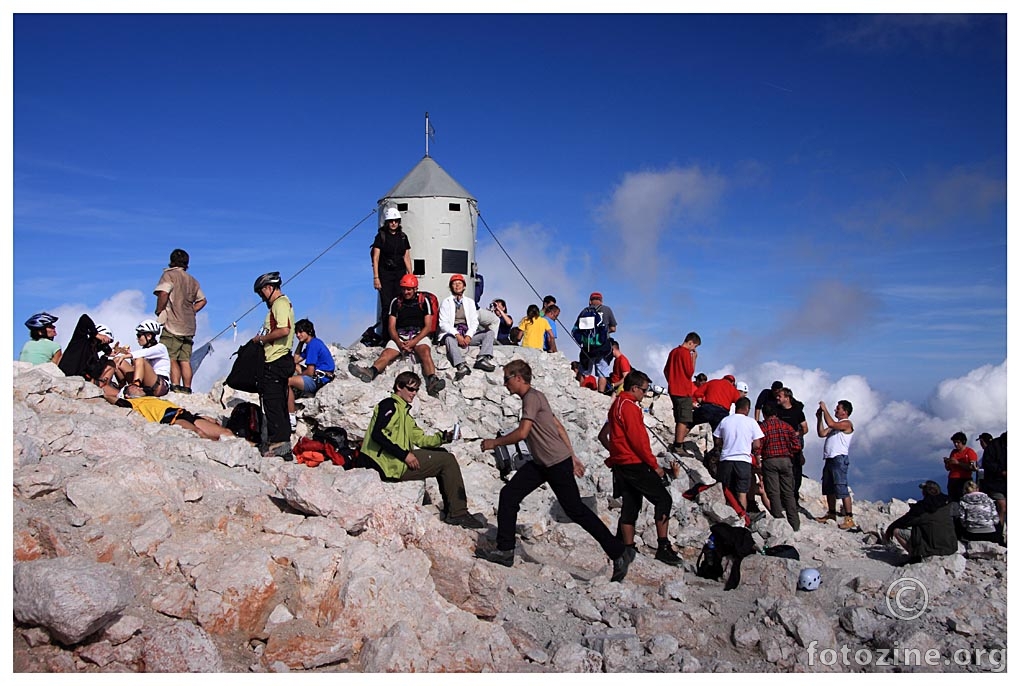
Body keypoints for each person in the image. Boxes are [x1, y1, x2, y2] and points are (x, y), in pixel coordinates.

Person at [477, 360, 636, 581]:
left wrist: (494, 443)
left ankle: (619, 552)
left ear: (518, 378)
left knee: (576, 510)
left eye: (507, 379)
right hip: (543, 463)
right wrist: (572, 456)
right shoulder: (537, 396)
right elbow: (557, 426)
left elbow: (523, 433)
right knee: (509, 495)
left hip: (554, 464)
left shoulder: (531, 398)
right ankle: (505, 551)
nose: (505, 384)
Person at [359, 371, 483, 529]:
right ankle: (458, 513)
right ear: (399, 386)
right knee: (447, 461)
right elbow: (378, 434)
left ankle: (453, 509)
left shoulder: (405, 414)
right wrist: (405, 455)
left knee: (443, 455)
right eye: (411, 389)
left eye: (416, 390)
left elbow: (422, 439)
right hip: (384, 464)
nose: (414, 393)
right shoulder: (389, 404)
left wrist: (444, 437)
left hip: (392, 461)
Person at [597, 370, 681, 566]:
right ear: (634, 388)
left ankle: (627, 547)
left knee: (631, 504)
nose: (645, 394)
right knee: (663, 499)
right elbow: (639, 442)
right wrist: (655, 466)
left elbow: (604, 436)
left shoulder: (616, 405)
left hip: (620, 464)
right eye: (644, 390)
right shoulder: (630, 408)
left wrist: (616, 453)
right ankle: (663, 546)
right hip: (634, 464)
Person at [349, 274, 447, 397]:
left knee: (425, 353)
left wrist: (413, 341)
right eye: (404, 289)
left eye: (409, 289)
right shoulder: (396, 302)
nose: (406, 292)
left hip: (419, 335)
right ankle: (371, 372)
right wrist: (399, 343)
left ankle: (432, 380)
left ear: (415, 289)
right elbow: (391, 326)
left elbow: (427, 326)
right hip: (400, 335)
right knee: (386, 354)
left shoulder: (424, 301)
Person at [252, 271, 295, 458]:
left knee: (273, 402)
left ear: (270, 288)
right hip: (280, 358)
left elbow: (284, 329)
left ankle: (279, 442)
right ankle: (281, 443)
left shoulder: (280, 303)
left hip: (276, 359)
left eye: (261, 293)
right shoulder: (279, 304)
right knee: (277, 401)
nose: (261, 298)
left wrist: (262, 340)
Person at [153, 248, 207, 394]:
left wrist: (159, 309)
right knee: (185, 359)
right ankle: (187, 387)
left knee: (171, 357)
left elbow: (164, 292)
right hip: (189, 326)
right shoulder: (192, 281)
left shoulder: (169, 275)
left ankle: (175, 386)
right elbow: (202, 300)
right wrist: (191, 311)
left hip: (173, 324)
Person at [102, 382, 233, 440]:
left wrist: (200, 416)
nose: (139, 388)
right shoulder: (131, 402)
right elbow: (111, 398)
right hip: (169, 418)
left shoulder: (153, 398)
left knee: (225, 432)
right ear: (127, 395)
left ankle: (252, 445)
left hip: (184, 413)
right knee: (198, 433)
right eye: (133, 388)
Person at [437, 273, 497, 381]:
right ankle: (460, 364)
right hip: (453, 333)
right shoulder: (446, 302)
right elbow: (443, 323)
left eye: (459, 283)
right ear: (451, 287)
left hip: (466, 332)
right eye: (454, 284)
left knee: (489, 333)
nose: (457, 286)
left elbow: (474, 321)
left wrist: (469, 335)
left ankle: (482, 358)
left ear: (464, 286)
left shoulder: (470, 302)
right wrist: (457, 334)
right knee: (449, 339)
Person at [885, 481, 958, 563]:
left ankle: (914, 557)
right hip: (950, 547)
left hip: (932, 549)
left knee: (897, 531)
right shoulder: (949, 503)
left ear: (925, 492)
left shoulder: (922, 508)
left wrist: (890, 529)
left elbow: (905, 521)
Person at [712, 397, 763, 511]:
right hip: (743, 461)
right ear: (747, 408)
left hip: (726, 459)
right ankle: (742, 518)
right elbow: (757, 445)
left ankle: (725, 517)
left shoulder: (725, 420)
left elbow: (717, 441)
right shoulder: (751, 422)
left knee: (725, 491)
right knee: (742, 492)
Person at [371, 207, 413, 341]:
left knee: (399, 303)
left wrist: (410, 276)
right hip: (385, 274)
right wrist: (376, 277)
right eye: (391, 221)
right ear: (387, 222)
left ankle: (399, 334)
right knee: (386, 305)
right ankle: (386, 337)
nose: (393, 223)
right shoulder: (381, 236)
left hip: (400, 273)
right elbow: (376, 258)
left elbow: (406, 256)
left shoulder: (402, 237)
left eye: (396, 221)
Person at [757, 403, 801, 531]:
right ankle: (795, 523)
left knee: (773, 492)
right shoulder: (786, 426)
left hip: (770, 461)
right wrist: (789, 452)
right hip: (786, 460)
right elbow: (797, 445)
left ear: (764, 414)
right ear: (775, 413)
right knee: (788, 493)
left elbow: (757, 446)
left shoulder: (763, 428)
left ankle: (780, 521)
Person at [287, 319, 336, 429]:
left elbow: (309, 371)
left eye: (300, 332)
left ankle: (291, 417)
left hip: (318, 380)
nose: (298, 335)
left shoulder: (313, 345)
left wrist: (296, 378)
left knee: (287, 382)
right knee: (295, 366)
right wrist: (300, 342)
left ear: (308, 331)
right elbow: (295, 360)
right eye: (297, 333)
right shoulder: (311, 343)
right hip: (318, 376)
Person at [817, 399, 856, 530]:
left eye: (838, 409)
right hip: (829, 459)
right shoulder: (835, 426)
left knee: (841, 488)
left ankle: (849, 518)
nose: (835, 410)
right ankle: (831, 513)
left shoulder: (846, 424)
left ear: (845, 412)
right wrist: (819, 418)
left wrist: (825, 409)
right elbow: (822, 433)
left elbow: (831, 423)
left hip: (839, 459)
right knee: (829, 488)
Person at [571, 292, 618, 394]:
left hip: (587, 347)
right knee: (602, 372)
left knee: (584, 371)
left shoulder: (584, 311)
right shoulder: (607, 310)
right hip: (602, 347)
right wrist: (603, 333)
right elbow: (613, 328)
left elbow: (575, 329)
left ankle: (580, 392)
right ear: (601, 300)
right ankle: (600, 393)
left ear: (590, 301)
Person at [112, 320, 171, 397]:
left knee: (140, 360)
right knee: (117, 360)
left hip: (159, 385)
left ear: (149, 336)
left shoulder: (160, 348)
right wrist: (125, 354)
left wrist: (126, 355)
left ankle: (135, 387)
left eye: (139, 335)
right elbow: (137, 366)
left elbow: (145, 354)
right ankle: (121, 385)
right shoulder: (144, 351)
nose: (137, 338)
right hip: (145, 383)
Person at [663, 331, 700, 453]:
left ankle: (677, 444)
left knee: (679, 417)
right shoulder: (685, 353)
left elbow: (666, 370)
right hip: (683, 391)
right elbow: (689, 372)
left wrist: (671, 382)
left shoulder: (673, 352)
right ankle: (678, 446)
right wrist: (693, 359)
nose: (693, 350)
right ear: (690, 342)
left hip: (673, 390)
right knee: (684, 419)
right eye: (694, 346)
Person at [774, 387, 809, 502]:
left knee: (796, 473)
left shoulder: (797, 412)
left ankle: (794, 498)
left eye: (780, 396)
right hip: (781, 447)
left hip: (794, 447)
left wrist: (796, 434)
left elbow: (805, 428)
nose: (777, 398)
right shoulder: (777, 411)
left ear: (787, 398)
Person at [977, 431, 1006, 528]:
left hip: (1000, 482)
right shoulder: (993, 447)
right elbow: (988, 464)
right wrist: (1001, 471)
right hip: (995, 482)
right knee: (1002, 506)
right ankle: (1000, 530)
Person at [944, 432, 978, 502]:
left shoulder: (969, 452)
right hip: (952, 479)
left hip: (964, 479)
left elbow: (972, 467)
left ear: (963, 442)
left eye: (958, 442)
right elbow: (948, 468)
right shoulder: (954, 452)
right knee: (953, 500)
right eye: (954, 443)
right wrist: (947, 463)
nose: (956, 444)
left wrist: (958, 463)